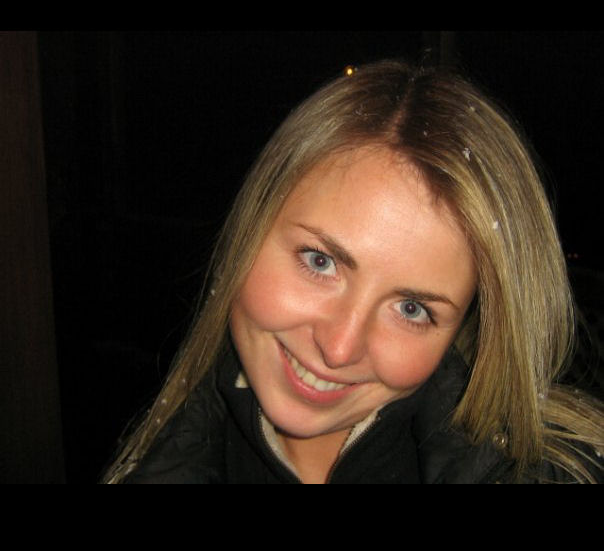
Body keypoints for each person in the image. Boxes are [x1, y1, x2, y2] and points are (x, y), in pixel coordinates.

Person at [103, 58, 604, 484]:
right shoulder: (158, 453)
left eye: (412, 308)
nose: (339, 348)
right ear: (248, 230)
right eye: (320, 262)